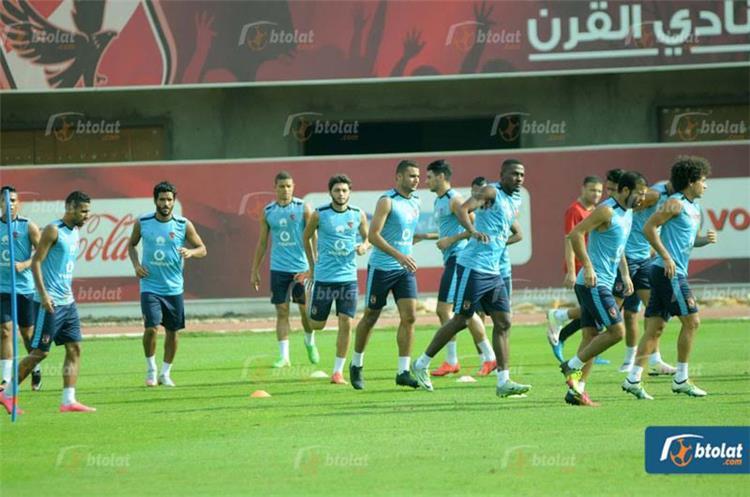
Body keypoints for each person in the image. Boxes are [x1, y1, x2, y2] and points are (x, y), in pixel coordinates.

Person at [411, 159, 531, 398]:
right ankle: (421, 363)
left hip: (493, 271)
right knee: (461, 319)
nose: (518, 178)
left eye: (521, 174)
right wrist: (474, 232)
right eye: (514, 174)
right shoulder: (491, 191)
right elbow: (463, 209)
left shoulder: (514, 200)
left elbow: (516, 232)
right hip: (473, 266)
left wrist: (499, 243)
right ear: (502, 174)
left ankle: (503, 381)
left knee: (504, 322)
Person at [623, 157, 716, 399]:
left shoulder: (694, 208)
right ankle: (681, 379)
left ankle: (632, 379)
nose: (705, 185)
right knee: (692, 322)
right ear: (691, 182)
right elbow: (649, 228)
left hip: (669, 271)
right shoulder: (674, 203)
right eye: (703, 180)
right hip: (667, 273)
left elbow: (688, 241)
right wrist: (665, 257)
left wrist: (704, 240)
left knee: (655, 328)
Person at [1, 191, 95, 413]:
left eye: (88, 211)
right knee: (40, 352)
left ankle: (68, 400)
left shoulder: (75, 232)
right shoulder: (53, 230)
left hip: (67, 302)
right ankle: (7, 393)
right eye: (84, 211)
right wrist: (43, 295)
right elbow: (36, 262)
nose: (87, 216)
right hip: (50, 302)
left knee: (74, 348)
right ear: (70, 208)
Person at [559, 172, 648, 406]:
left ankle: (577, 390)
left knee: (591, 337)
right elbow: (575, 234)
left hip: (604, 282)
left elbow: (619, 248)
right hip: (593, 284)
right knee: (617, 332)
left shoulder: (628, 213)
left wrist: (625, 274)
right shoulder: (606, 211)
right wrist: (588, 267)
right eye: (639, 193)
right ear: (625, 190)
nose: (642, 198)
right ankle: (571, 365)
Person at [350, 160, 421, 390]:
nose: (416, 180)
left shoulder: (416, 202)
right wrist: (399, 256)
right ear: (398, 177)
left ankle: (403, 371)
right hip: (381, 268)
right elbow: (373, 235)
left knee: (410, 317)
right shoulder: (387, 201)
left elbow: (406, 235)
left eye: (418, 176)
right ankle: (356, 364)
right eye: (411, 176)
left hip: (404, 270)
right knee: (371, 316)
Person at [128, 182, 207, 387]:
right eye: (162, 199)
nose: (165, 203)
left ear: (174, 201)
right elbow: (131, 245)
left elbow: (202, 248)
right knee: (151, 328)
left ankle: (165, 373)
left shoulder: (183, 224)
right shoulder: (143, 222)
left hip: (174, 288)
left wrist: (191, 252)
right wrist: (136, 265)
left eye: (169, 199)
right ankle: (151, 370)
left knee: (173, 332)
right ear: (155, 200)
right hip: (150, 286)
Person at [424, 165, 496, 377]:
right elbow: (447, 231)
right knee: (465, 311)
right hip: (452, 259)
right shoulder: (439, 200)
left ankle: (454, 360)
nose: (426, 181)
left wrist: (450, 240)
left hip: (459, 258)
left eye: (429, 177)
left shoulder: (454, 199)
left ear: (441, 176)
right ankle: (488, 358)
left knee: (444, 309)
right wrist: (425, 237)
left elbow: (473, 228)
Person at [303, 175, 369, 385]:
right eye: (337, 190)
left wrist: (364, 246)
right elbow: (305, 237)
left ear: (350, 192)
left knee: (346, 322)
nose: (341, 194)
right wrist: (312, 267)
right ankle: (307, 298)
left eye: (344, 190)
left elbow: (368, 238)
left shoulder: (358, 214)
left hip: (348, 279)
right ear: (330, 192)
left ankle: (338, 372)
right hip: (324, 279)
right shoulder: (320, 214)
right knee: (317, 325)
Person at [251, 171, 317, 368]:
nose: (285, 190)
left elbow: (313, 237)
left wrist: (314, 265)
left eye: (288, 186)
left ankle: (309, 341)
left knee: (305, 311)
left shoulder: (303, 208)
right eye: (281, 186)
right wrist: (254, 270)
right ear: (275, 188)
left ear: (293, 187)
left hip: (301, 268)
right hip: (278, 268)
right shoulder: (268, 211)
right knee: (282, 311)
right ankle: (284, 357)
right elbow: (262, 242)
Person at [614, 180, 677, 375]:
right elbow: (627, 209)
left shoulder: (674, 199)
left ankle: (654, 360)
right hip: (627, 258)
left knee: (653, 311)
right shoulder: (655, 194)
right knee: (608, 316)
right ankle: (563, 317)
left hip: (644, 260)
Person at [546, 176, 604, 363]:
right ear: (583, 189)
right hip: (581, 267)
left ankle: (587, 348)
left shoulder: (596, 211)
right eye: (592, 190)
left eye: (599, 191)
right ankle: (560, 322)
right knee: (593, 311)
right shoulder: (574, 210)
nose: (596, 194)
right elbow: (570, 240)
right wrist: (571, 271)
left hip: (593, 267)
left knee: (592, 312)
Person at [0, 186, 41, 391]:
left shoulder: (27, 226)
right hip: (2, 288)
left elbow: (42, 253)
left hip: (24, 288)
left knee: (27, 334)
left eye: (13, 200)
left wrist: (25, 264)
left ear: (18, 203)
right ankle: (6, 379)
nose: (9, 204)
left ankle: (35, 368)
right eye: (5, 200)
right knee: (5, 331)